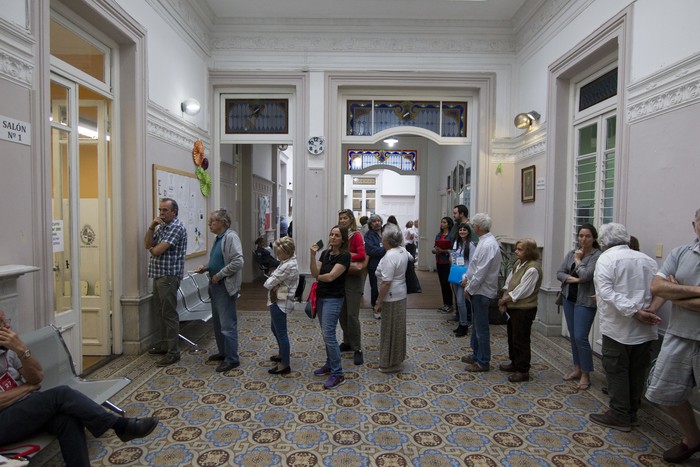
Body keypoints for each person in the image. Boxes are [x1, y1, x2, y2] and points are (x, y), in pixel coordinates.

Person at [0, 310, 158, 466]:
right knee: (61, 394)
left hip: (24, 408)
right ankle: (119, 425)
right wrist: (27, 388)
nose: (7, 326)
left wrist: (22, 351)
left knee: (68, 419)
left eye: (7, 320)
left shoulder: (10, 350)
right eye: (1, 323)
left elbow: (37, 377)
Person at [587, 223, 661, 432]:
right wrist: (648, 311)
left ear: (603, 242)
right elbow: (657, 289)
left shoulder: (606, 259)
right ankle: (632, 413)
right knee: (637, 371)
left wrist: (635, 311)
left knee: (617, 369)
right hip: (645, 328)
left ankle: (620, 414)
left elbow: (607, 293)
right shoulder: (646, 259)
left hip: (619, 327)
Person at [645, 209, 700, 464]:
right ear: (694, 224)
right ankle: (693, 438)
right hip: (679, 335)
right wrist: (690, 293)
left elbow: (667, 290)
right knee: (661, 392)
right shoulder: (681, 253)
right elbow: (657, 287)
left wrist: (676, 291)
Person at [196, 209, 244, 373]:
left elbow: (238, 261)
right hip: (215, 286)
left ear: (222, 223)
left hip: (224, 286)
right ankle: (223, 353)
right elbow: (219, 259)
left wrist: (219, 275)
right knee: (217, 323)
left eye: (213, 221)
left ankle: (232, 359)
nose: (209, 224)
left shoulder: (231, 237)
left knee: (227, 324)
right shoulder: (218, 239)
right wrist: (207, 267)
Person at [556, 223, 602, 390]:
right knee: (574, 335)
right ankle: (577, 367)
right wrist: (574, 279)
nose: (583, 239)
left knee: (581, 336)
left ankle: (586, 373)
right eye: (581, 236)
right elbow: (559, 273)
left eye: (587, 236)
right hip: (570, 298)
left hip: (586, 301)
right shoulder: (571, 253)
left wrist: (578, 261)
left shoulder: (597, 256)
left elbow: (587, 275)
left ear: (594, 238)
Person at [144, 197, 188, 367]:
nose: (161, 213)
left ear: (174, 212)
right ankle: (164, 345)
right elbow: (147, 244)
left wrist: (152, 249)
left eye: (165, 210)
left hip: (169, 276)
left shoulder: (176, 227)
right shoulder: (162, 226)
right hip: (158, 274)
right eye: (160, 210)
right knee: (160, 312)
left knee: (169, 314)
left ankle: (173, 352)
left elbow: (157, 250)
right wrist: (152, 226)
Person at [310, 225, 351, 389]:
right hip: (321, 297)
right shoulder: (325, 253)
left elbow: (331, 277)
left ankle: (338, 373)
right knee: (326, 334)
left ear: (343, 239)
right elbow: (315, 272)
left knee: (329, 335)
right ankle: (329, 364)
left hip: (333, 299)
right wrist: (312, 256)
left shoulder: (345, 256)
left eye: (337, 235)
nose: (333, 237)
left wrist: (318, 276)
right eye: (331, 234)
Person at [497, 238, 542, 382]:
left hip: (524, 309)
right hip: (513, 307)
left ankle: (523, 370)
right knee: (512, 336)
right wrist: (504, 296)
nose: (516, 251)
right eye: (516, 248)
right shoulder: (519, 263)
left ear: (529, 251)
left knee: (521, 339)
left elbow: (522, 290)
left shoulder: (533, 268)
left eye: (520, 249)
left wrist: (504, 300)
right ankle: (514, 362)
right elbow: (509, 283)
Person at [463, 213, 501, 372]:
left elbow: (481, 272)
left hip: (481, 291)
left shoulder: (487, 245)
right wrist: (467, 279)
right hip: (477, 289)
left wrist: (469, 289)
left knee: (481, 327)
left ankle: (483, 360)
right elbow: (474, 266)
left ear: (477, 227)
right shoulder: (484, 242)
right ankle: (476, 354)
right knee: (476, 326)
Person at [373, 225, 409, 373]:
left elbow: (386, 282)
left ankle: (388, 363)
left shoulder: (390, 256)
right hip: (401, 293)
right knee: (398, 328)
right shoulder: (402, 251)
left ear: (387, 240)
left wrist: (378, 301)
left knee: (388, 329)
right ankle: (397, 358)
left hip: (391, 295)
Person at [263, 237, 299, 375]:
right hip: (279, 297)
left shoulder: (287, 265)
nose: (277, 256)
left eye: (279, 253)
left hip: (281, 301)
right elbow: (272, 280)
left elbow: (267, 283)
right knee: (275, 328)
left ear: (286, 252)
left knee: (281, 332)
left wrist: (274, 280)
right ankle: (281, 354)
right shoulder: (288, 261)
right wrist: (274, 280)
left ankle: (285, 365)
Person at [338, 209, 366, 365]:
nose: (342, 220)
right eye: (341, 218)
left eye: (345, 218)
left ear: (351, 219)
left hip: (353, 278)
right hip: (340, 277)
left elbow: (362, 255)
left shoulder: (356, 235)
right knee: (342, 313)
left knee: (352, 315)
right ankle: (347, 341)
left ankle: (357, 348)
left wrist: (345, 256)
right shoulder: (338, 234)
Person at [451, 223, 476, 337]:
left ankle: (464, 325)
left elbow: (472, 263)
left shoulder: (470, 245)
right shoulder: (457, 243)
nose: (462, 231)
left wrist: (467, 277)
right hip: (456, 273)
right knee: (458, 301)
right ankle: (461, 323)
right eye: (460, 230)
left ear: (468, 232)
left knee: (461, 302)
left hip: (464, 276)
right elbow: (454, 257)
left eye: (464, 230)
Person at [365, 214, 386, 316]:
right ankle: (375, 306)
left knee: (386, 285)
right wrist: (386, 248)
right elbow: (371, 250)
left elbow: (394, 244)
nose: (377, 222)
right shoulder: (368, 235)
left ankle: (385, 305)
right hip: (374, 265)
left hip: (388, 264)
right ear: (371, 224)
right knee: (375, 287)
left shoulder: (386, 232)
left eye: (378, 220)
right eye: (374, 221)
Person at [433, 216, 454, 313]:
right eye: (442, 222)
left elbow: (454, 250)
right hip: (439, 261)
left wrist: (443, 250)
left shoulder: (451, 235)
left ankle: (450, 304)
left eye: (444, 222)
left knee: (446, 283)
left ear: (449, 224)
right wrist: (436, 250)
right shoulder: (439, 235)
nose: (442, 224)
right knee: (442, 283)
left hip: (447, 262)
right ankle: (445, 303)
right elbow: (434, 247)